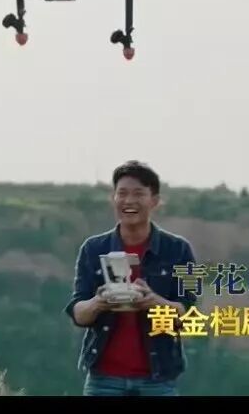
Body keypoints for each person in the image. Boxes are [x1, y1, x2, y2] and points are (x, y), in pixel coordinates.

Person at [64, 160, 198, 396]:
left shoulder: (179, 250)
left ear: (154, 200)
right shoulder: (93, 249)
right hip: (103, 380)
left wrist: (154, 301)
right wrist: (99, 302)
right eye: (122, 193)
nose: (129, 201)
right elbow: (79, 313)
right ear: (113, 198)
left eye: (138, 194)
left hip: (158, 380)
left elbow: (188, 314)